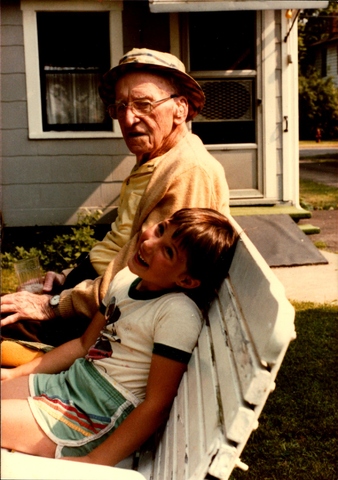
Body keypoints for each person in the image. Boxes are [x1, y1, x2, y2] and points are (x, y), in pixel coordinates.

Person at [1, 48, 230, 346]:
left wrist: (55, 305)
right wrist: (66, 278)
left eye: (143, 104)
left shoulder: (188, 171)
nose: (128, 118)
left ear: (180, 109)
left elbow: (148, 276)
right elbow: (121, 244)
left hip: (109, 315)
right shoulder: (155, 159)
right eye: (120, 106)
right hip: (92, 292)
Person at [1, 208, 239, 467]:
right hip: (72, 382)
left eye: (168, 251)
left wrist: (97, 460)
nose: (149, 243)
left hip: (94, 416)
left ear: (187, 280)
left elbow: (156, 404)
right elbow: (83, 345)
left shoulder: (176, 314)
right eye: (160, 230)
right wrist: (16, 373)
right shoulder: (127, 279)